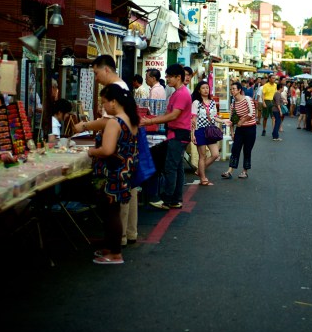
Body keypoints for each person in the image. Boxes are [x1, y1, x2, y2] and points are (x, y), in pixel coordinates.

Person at [86, 84, 139, 265]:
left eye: (104, 102)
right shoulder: (131, 120)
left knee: (111, 213)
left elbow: (107, 150)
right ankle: (110, 248)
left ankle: (115, 254)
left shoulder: (114, 123)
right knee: (112, 211)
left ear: (114, 102)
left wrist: (92, 152)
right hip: (124, 171)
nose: (104, 107)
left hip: (112, 173)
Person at [140, 64, 192, 210]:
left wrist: (150, 121)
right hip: (176, 133)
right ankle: (176, 199)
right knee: (177, 167)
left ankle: (168, 199)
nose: (167, 79)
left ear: (178, 77)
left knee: (170, 167)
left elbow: (173, 115)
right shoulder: (177, 92)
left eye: (169, 76)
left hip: (178, 134)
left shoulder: (181, 94)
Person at [191, 81, 225, 186]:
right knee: (203, 156)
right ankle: (203, 178)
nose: (206, 90)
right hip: (199, 130)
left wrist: (224, 121)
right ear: (199, 90)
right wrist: (192, 134)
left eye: (207, 88)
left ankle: (200, 170)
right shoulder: (196, 102)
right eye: (203, 88)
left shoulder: (212, 102)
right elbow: (193, 120)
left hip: (210, 130)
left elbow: (214, 117)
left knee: (215, 154)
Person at [221, 81, 256, 180]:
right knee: (235, 149)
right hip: (239, 130)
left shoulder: (247, 99)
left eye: (234, 89)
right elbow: (232, 120)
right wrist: (232, 132)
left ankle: (245, 171)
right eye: (231, 89)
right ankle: (230, 171)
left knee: (247, 150)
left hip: (250, 128)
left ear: (239, 90)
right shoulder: (233, 104)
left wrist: (242, 121)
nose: (232, 91)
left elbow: (252, 113)